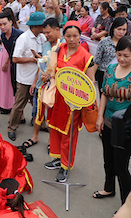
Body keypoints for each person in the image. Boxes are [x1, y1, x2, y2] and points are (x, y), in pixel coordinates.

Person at [44, 21, 95, 183]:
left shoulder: (86, 57)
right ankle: (58, 158)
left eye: (75, 36)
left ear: (81, 36)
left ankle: (66, 165)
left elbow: (91, 83)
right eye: (68, 36)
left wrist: (82, 103)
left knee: (69, 135)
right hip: (57, 99)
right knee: (55, 130)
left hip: (73, 103)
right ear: (63, 36)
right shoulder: (60, 49)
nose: (72, 39)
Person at [95, 36, 131, 204]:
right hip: (108, 123)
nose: (122, 59)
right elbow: (104, 93)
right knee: (108, 160)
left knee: (121, 166)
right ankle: (109, 188)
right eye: (119, 54)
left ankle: (127, 205)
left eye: (126, 55)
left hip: (126, 128)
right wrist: (100, 116)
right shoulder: (110, 69)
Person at [23, 18, 64, 148]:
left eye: (48, 32)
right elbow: (41, 65)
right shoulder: (46, 44)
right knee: (37, 112)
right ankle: (35, 136)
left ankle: (51, 141)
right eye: (44, 33)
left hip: (55, 87)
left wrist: (52, 76)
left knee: (52, 115)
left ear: (57, 29)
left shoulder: (64, 46)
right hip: (41, 84)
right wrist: (35, 82)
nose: (45, 35)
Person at [7, 12, 46, 141]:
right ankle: (12, 128)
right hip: (24, 79)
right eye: (42, 25)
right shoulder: (23, 39)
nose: (44, 27)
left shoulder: (42, 37)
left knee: (39, 103)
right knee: (19, 105)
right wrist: (32, 59)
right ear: (35, 26)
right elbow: (15, 59)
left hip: (38, 77)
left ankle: (42, 123)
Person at [0, 12, 23, 115]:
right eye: (0, 24)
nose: (2, 27)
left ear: (11, 22)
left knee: (24, 93)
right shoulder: (3, 36)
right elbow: (8, 52)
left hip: (22, 66)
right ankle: (20, 117)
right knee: (15, 91)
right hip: (13, 66)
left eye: (4, 24)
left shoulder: (20, 35)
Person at [94, 17, 128, 92]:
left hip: (123, 76)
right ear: (113, 28)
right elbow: (97, 61)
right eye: (119, 29)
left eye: (124, 29)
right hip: (104, 75)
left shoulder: (128, 44)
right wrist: (92, 77)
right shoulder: (104, 42)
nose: (121, 32)